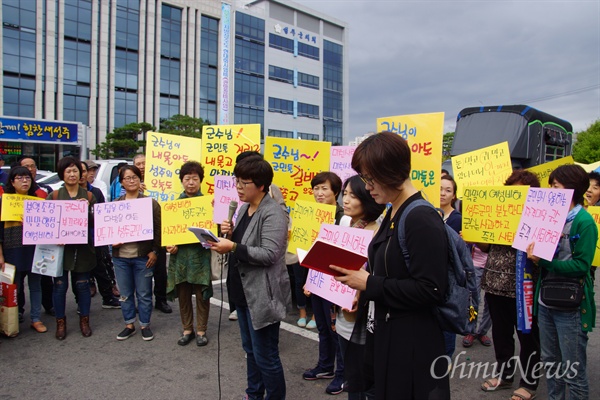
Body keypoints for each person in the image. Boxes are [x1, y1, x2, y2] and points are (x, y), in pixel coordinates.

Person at [330, 132, 450, 399]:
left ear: (391, 172)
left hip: (411, 345)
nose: (367, 187)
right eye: (364, 178)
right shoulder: (393, 210)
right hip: (386, 334)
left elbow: (431, 289)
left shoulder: (420, 217)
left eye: (370, 179)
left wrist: (369, 283)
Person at [208, 156, 290, 400]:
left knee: (266, 356)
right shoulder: (243, 208)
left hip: (262, 295)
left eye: (245, 183)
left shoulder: (273, 213)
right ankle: (254, 394)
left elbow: (269, 254)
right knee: (251, 352)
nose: (239, 187)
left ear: (262, 185)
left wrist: (232, 246)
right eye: (237, 181)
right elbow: (245, 242)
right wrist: (232, 235)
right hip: (242, 292)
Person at [527, 164, 597, 400]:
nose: (550, 190)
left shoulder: (584, 222)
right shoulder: (546, 214)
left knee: (573, 370)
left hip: (571, 306)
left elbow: (581, 266)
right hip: (546, 301)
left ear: (571, 190)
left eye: (555, 186)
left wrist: (545, 262)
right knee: (551, 362)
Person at [479, 170, 541, 400]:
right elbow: (485, 247)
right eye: (512, 190)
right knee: (501, 333)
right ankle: (504, 375)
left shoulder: (538, 218)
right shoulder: (497, 212)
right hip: (495, 283)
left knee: (528, 336)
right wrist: (476, 234)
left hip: (524, 286)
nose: (517, 195)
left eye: (523, 192)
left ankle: (529, 383)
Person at [337, 175, 384, 399]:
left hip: (362, 316)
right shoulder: (345, 223)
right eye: (344, 194)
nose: (345, 200)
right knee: (349, 372)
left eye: (352, 195)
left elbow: (373, 277)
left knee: (362, 377)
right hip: (341, 311)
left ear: (367, 198)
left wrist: (359, 294)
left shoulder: (377, 231)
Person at [302, 171, 346, 395]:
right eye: (316, 188)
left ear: (335, 192)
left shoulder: (342, 217)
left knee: (336, 329)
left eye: (324, 189)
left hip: (335, 283)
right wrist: (310, 279)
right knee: (322, 326)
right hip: (317, 278)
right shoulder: (311, 215)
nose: (319, 193)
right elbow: (309, 251)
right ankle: (325, 366)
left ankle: (342, 374)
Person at [112, 165, 161, 341]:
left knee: (144, 293)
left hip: (143, 256)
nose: (131, 181)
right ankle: (129, 324)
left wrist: (154, 251)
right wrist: (112, 240)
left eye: (135, 177)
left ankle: (145, 324)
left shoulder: (150, 203)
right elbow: (108, 230)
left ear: (140, 180)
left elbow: (158, 229)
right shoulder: (115, 205)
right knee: (125, 293)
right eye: (127, 178)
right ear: (121, 182)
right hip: (121, 258)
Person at [166, 161, 213, 347]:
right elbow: (168, 233)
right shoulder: (173, 206)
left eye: (195, 178)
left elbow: (214, 232)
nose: (191, 182)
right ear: (181, 181)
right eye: (187, 179)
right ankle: (187, 329)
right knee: (183, 294)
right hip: (180, 257)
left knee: (202, 294)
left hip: (200, 256)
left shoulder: (208, 203)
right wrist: (170, 245)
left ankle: (201, 330)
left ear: (201, 180)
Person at [51, 156, 97, 340]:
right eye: (68, 171)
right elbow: (46, 223)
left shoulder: (89, 196)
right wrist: (56, 236)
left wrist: (87, 210)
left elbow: (97, 222)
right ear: (62, 174)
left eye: (75, 170)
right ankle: (60, 323)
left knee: (83, 286)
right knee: (60, 287)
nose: (72, 174)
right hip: (61, 250)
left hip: (83, 250)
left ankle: (84, 321)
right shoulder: (54, 196)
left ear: (81, 174)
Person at [0, 166, 48, 333]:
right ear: (12, 182)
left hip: (35, 250)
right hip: (12, 251)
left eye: (27, 178)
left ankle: (35, 318)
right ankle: (12, 317)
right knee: (14, 287)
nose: (25, 181)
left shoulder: (38, 202)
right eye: (20, 178)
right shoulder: (4, 202)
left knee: (36, 285)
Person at [133, 153, 171, 314]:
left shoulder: (161, 179)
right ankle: (140, 301)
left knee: (160, 269)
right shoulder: (127, 183)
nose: (141, 166)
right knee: (138, 269)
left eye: (144, 163)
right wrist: (136, 192)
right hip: (137, 233)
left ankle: (161, 299)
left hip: (158, 230)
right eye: (138, 164)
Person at [79, 161, 120, 309]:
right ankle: (81, 304)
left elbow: (104, 216)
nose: (82, 174)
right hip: (76, 240)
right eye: (80, 171)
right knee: (80, 274)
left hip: (96, 238)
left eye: (84, 171)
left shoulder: (95, 192)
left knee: (102, 268)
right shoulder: (67, 193)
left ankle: (108, 298)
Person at [18, 155, 55, 316]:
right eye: (26, 166)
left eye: (32, 166)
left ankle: (44, 309)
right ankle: (17, 311)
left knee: (41, 280)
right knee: (17, 282)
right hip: (16, 247)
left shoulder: (44, 191)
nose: (30, 169)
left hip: (39, 245)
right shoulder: (7, 197)